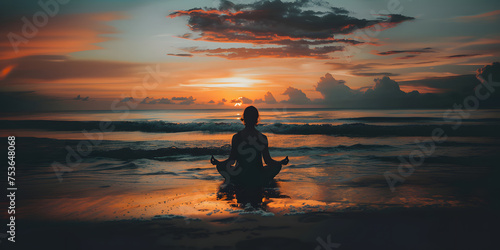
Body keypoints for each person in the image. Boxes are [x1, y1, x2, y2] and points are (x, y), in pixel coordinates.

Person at [210, 106, 289, 189]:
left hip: (240, 175)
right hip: (258, 176)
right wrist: (280, 163)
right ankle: (262, 180)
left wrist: (218, 163)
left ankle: (235, 180)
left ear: (244, 118)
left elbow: (231, 160)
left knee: (220, 167)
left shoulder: (237, 137)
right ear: (256, 119)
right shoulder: (262, 137)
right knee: (277, 166)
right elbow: (267, 161)